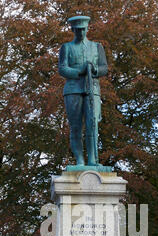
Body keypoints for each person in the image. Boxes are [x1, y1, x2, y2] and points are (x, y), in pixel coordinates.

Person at [58, 16, 108, 166]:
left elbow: (104, 68)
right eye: (78, 30)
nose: (81, 32)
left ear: (87, 29)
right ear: (73, 30)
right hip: (73, 90)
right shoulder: (66, 47)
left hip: (92, 88)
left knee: (93, 123)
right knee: (75, 126)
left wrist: (94, 70)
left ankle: (92, 160)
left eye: (83, 29)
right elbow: (62, 68)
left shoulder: (97, 47)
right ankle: (80, 160)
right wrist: (79, 71)